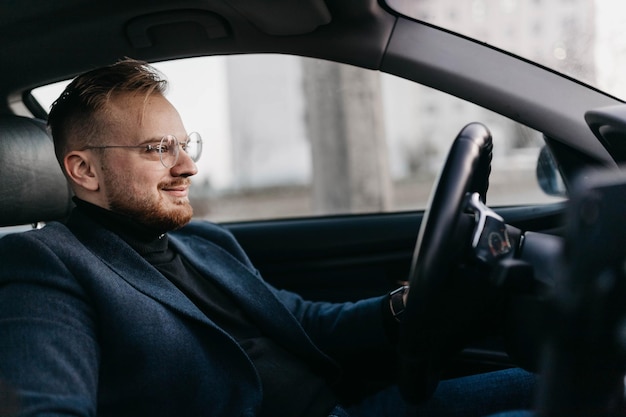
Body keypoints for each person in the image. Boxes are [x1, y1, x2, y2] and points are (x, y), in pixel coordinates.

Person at [0, 59, 534, 417]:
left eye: (187, 145)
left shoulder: (206, 242)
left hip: (351, 404)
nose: (187, 167)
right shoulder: (43, 266)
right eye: (158, 148)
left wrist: (405, 306)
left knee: (570, 381)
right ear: (84, 171)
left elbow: (303, 322)